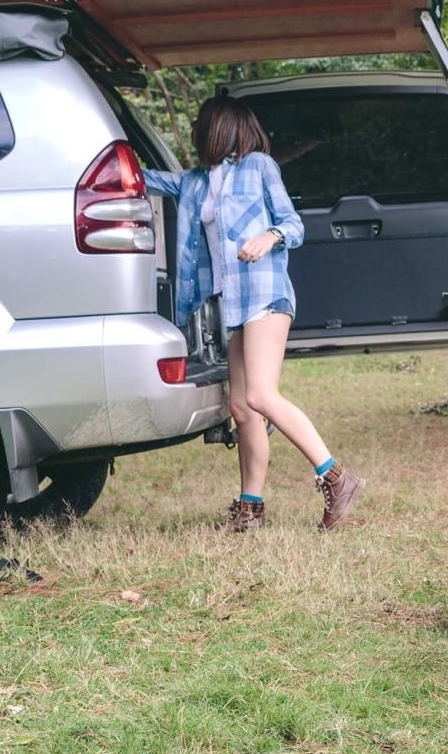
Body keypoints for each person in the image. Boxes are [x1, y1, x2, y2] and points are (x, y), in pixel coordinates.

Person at [144, 95, 364, 533]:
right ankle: (250, 510)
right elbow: (147, 178)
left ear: (221, 128)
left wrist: (268, 236)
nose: (195, 133)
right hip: (233, 304)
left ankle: (337, 478)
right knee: (243, 409)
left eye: (200, 126)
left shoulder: (260, 167)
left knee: (262, 395)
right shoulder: (195, 182)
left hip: (265, 293)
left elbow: (294, 224)